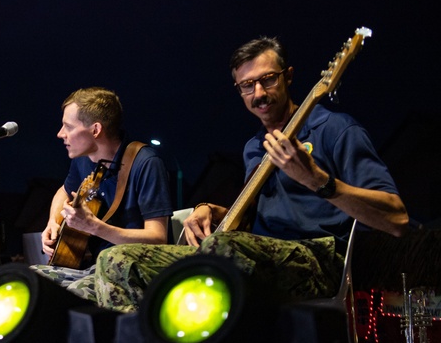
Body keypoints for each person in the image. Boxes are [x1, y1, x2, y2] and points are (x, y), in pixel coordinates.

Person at [93, 35, 408, 311]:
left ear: (288, 77)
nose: (259, 93)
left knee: (222, 251)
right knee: (118, 260)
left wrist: (317, 180)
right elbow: (249, 218)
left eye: (268, 79)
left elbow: (396, 220)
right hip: (250, 255)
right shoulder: (253, 148)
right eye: (247, 85)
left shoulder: (336, 129)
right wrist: (210, 209)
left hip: (319, 260)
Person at [31, 87, 172, 300]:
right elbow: (63, 191)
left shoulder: (146, 163)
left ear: (95, 130)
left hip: (127, 272)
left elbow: (158, 238)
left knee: (68, 298)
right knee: (24, 282)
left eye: (68, 126)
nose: (60, 134)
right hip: (91, 267)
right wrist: (52, 221)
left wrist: (94, 227)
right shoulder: (82, 160)